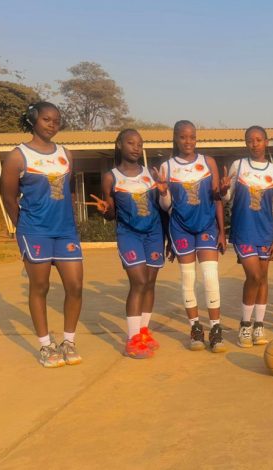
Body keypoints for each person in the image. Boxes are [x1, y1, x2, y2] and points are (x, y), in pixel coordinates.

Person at [1, 102, 83, 368]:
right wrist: (23, 227)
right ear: (33, 119)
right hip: (35, 231)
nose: (52, 124)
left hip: (65, 231)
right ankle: (46, 345)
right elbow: (9, 198)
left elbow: (69, 191)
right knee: (40, 287)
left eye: (56, 120)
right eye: (46, 119)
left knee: (75, 286)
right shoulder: (18, 156)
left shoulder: (66, 154)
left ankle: (68, 342)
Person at [90, 129, 163, 359]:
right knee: (138, 282)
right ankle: (132, 339)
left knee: (149, 282)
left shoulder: (151, 174)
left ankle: (143, 332)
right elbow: (112, 213)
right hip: (129, 234)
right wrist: (105, 211)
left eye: (139, 144)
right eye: (131, 143)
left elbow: (162, 205)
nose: (136, 148)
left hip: (153, 234)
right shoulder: (111, 177)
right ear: (120, 145)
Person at [156, 120, 228, 353]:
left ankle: (215, 329)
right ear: (175, 139)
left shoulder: (208, 162)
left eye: (192, 137)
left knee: (210, 277)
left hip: (207, 226)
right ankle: (195, 328)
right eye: (183, 137)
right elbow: (166, 207)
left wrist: (222, 231)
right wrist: (163, 193)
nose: (188, 141)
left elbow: (216, 198)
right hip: (181, 228)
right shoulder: (167, 167)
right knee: (188, 278)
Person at [220, 126, 273, 348]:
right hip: (244, 231)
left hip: (266, 232)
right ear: (246, 143)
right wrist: (223, 189)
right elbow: (227, 197)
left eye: (258, 140)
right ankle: (245, 325)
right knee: (254, 276)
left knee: (263, 278)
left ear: (266, 142)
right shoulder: (239, 166)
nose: (254, 144)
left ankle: (259, 325)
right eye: (250, 140)